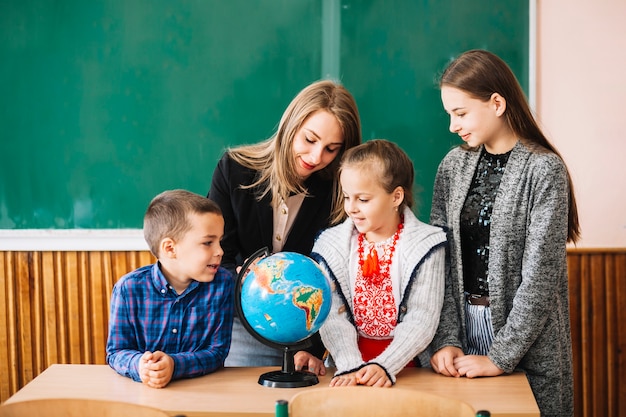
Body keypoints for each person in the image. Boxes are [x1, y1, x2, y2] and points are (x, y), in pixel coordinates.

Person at [428, 49, 580, 417]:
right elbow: (440, 260)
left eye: (460, 113)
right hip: (463, 330)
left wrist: (500, 355)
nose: (453, 126)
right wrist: (446, 338)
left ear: (496, 103)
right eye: (450, 114)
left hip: (527, 340)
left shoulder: (544, 170)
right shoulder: (453, 166)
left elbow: (540, 280)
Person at [208, 79, 362, 368]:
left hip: (311, 327)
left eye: (331, 149)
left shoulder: (340, 194)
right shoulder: (234, 170)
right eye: (310, 139)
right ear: (291, 126)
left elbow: (337, 278)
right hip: (243, 319)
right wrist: (243, 279)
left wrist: (316, 349)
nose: (316, 158)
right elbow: (218, 257)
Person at [307, 139, 447, 387]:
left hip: (406, 369)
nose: (351, 208)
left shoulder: (427, 244)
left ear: (396, 196)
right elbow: (331, 314)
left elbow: (422, 317)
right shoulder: (332, 246)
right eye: (347, 197)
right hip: (346, 365)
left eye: (363, 199)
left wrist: (385, 365)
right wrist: (350, 363)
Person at [106, 189, 234, 388]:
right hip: (144, 396)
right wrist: (140, 365)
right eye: (208, 242)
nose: (220, 251)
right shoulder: (128, 289)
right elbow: (116, 351)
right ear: (170, 248)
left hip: (204, 394)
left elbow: (217, 352)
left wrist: (175, 365)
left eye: (219, 241)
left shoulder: (222, 284)